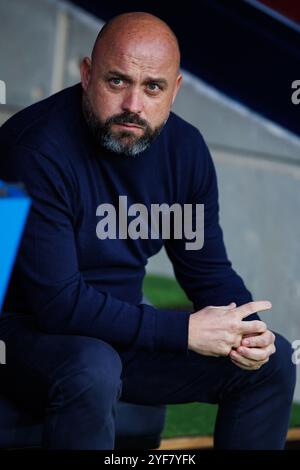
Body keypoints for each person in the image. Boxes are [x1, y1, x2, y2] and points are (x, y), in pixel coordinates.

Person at [0, 12, 295, 450]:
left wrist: (244, 328)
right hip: (28, 335)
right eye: (116, 82)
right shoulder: (35, 150)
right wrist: (183, 333)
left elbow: (207, 271)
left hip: (122, 334)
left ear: (174, 91)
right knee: (93, 366)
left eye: (152, 87)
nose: (133, 105)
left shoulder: (185, 152)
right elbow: (57, 303)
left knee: (274, 364)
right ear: (87, 75)